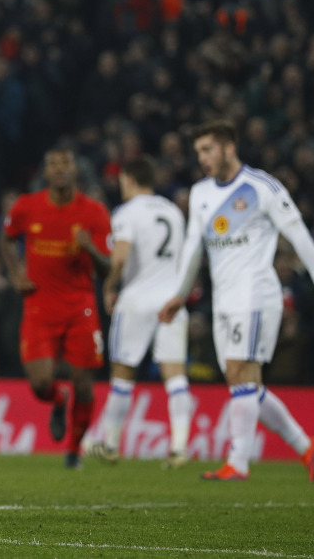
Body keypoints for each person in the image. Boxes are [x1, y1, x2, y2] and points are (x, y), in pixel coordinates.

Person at [159, 120, 314, 481]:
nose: (202, 159)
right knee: (243, 383)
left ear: (229, 148)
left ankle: (238, 462)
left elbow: (299, 235)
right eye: (198, 152)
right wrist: (179, 295)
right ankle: (307, 446)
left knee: (241, 373)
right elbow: (194, 247)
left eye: (208, 150)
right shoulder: (200, 194)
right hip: (224, 299)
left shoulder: (262, 187)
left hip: (256, 293)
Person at [0, 146, 111, 468]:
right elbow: (5, 238)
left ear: (75, 170)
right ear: (45, 173)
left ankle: (74, 450)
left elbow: (108, 268)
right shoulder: (27, 206)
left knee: (84, 384)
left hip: (81, 309)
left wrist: (90, 248)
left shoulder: (94, 213)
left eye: (66, 163)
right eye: (53, 164)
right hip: (39, 307)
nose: (60, 169)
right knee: (40, 384)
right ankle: (58, 401)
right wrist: (17, 273)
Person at [87, 156, 193, 468]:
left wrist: (109, 287)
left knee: (122, 374)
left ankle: (110, 444)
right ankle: (179, 448)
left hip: (136, 300)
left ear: (130, 179)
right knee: (175, 377)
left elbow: (119, 256)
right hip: (171, 300)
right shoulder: (173, 211)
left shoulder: (126, 213)